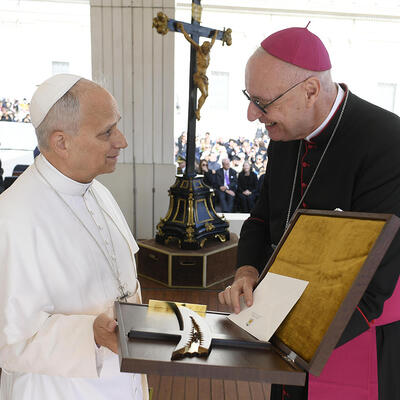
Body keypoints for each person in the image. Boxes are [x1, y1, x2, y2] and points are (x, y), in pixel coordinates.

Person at [218, 26, 400, 400]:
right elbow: (262, 217)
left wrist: (286, 342)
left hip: (356, 330)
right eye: (250, 98)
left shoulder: (387, 140)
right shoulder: (285, 134)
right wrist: (247, 270)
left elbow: (375, 278)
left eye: (262, 102)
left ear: (311, 91)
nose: (252, 114)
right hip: (279, 320)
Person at [0, 74, 148, 399]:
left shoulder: (99, 192)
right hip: (61, 390)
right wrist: (90, 334)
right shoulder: (11, 218)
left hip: (123, 377)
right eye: (106, 132)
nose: (121, 141)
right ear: (61, 142)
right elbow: (10, 343)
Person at [177, 23, 218, 120]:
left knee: (206, 95)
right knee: (204, 93)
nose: (206, 51)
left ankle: (198, 110)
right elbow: (189, 39)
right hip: (197, 76)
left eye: (208, 50)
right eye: (205, 49)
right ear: (203, 47)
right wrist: (182, 29)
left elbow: (213, 41)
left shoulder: (208, 51)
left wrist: (216, 33)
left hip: (204, 77)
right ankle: (198, 110)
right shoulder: (199, 49)